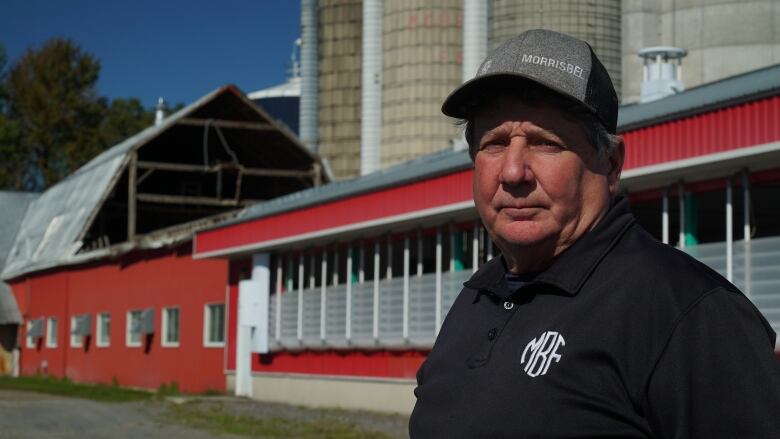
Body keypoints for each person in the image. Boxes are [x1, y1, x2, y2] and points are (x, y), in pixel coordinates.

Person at [408, 29, 780, 438]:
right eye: (494, 144)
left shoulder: (688, 312)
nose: (513, 172)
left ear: (612, 164)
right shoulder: (476, 298)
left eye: (545, 143)